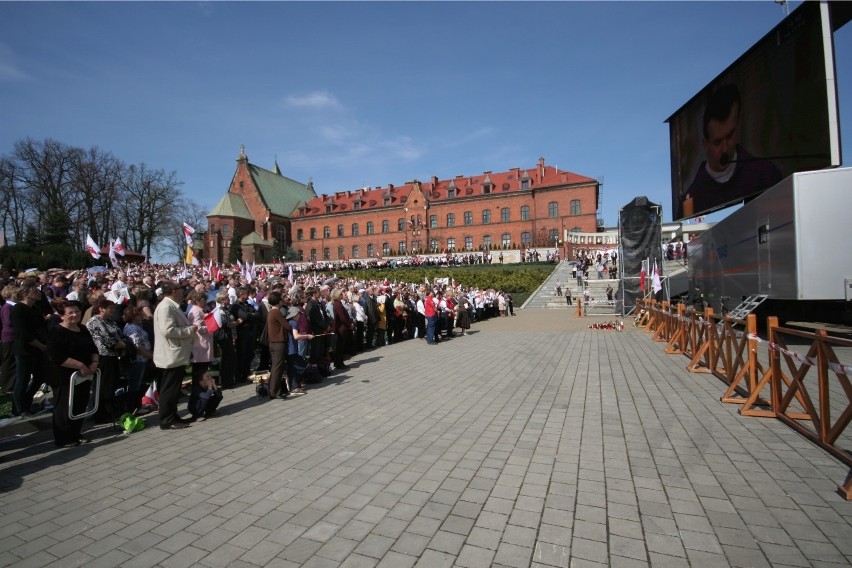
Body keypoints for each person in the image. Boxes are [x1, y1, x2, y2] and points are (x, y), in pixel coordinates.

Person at [683, 84, 782, 218]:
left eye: (729, 136)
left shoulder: (765, 174)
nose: (725, 148)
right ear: (706, 145)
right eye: (717, 142)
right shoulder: (693, 196)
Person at [48, 300, 98, 447]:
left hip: (84, 374)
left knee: (80, 404)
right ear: (62, 316)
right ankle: (63, 438)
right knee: (64, 406)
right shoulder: (56, 331)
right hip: (64, 375)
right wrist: (80, 365)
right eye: (70, 312)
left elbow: (93, 348)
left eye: (77, 311)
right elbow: (56, 356)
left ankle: (76, 433)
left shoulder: (82, 329)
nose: (75, 315)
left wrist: (94, 363)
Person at [153, 281, 197, 430]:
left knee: (174, 388)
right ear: (173, 291)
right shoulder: (166, 307)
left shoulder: (171, 306)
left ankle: (173, 415)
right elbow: (168, 330)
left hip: (176, 354)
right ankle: (167, 419)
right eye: (180, 289)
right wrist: (189, 330)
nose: (182, 291)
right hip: (170, 354)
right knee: (169, 389)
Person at [11, 284, 49, 417]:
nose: (39, 293)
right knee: (23, 379)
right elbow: (24, 333)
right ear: (26, 294)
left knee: (40, 377)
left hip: (38, 348)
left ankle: (27, 403)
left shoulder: (35, 308)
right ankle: (18, 408)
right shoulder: (18, 309)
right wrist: (40, 345)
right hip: (25, 349)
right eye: (35, 291)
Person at [86, 298, 126, 423]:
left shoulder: (109, 321)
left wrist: (123, 344)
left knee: (111, 385)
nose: (113, 311)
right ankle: (100, 414)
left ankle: (110, 411)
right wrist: (123, 345)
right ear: (101, 309)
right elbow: (108, 340)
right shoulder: (94, 322)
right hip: (102, 357)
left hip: (113, 356)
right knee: (103, 386)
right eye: (110, 308)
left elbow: (119, 334)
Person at [186, 291, 215, 412]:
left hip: (204, 345)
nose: (205, 303)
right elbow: (196, 327)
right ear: (197, 300)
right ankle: (197, 405)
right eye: (203, 301)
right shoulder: (196, 311)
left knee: (204, 375)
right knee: (199, 377)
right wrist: (212, 325)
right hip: (199, 346)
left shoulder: (200, 310)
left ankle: (203, 404)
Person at [266, 291, 291, 399]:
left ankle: (274, 389)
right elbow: (287, 326)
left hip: (273, 343)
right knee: (277, 367)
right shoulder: (276, 312)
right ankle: (274, 391)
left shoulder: (271, 312)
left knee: (276, 367)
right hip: (278, 342)